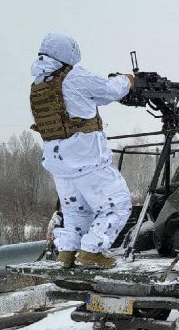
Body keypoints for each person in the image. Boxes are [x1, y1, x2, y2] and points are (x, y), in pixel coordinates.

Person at [29, 32, 134, 269]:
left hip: (59, 164)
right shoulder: (74, 76)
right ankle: (92, 251)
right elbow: (109, 91)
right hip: (86, 159)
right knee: (117, 204)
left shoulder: (39, 83)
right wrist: (128, 80)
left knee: (77, 212)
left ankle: (68, 251)